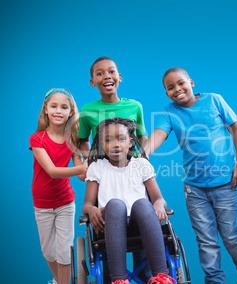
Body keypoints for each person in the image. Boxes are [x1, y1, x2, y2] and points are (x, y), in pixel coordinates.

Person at [144, 68, 237, 284]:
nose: (177, 89)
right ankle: (215, 281)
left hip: (225, 185)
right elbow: (158, 135)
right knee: (206, 241)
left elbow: (236, 128)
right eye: (170, 88)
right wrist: (143, 153)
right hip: (194, 190)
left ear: (191, 82)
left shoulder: (214, 101)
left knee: (231, 236)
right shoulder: (170, 112)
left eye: (181, 83)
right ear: (166, 93)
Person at [78, 56, 150, 281]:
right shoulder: (88, 110)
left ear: (119, 77)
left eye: (111, 72)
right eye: (100, 73)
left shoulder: (134, 106)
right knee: (109, 220)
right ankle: (112, 277)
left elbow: (141, 137)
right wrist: (92, 162)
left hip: (132, 173)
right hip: (104, 176)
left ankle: (147, 274)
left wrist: (143, 162)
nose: (106, 76)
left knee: (141, 218)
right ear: (92, 82)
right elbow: (81, 140)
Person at [82, 117, 176, 284]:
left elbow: (158, 198)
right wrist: (92, 210)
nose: (116, 144)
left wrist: (160, 204)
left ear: (131, 142)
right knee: (116, 204)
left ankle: (161, 277)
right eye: (109, 140)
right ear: (102, 144)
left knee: (141, 203)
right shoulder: (97, 167)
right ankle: (119, 280)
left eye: (121, 139)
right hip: (109, 225)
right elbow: (87, 204)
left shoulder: (141, 164)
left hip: (140, 225)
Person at [29, 88, 88, 284]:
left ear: (71, 112)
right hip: (42, 204)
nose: (58, 111)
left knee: (63, 252)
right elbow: (52, 171)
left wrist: (90, 169)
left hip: (65, 202)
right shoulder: (37, 139)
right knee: (48, 251)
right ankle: (58, 281)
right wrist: (81, 169)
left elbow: (80, 172)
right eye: (54, 106)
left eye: (64, 107)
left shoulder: (72, 140)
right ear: (46, 109)